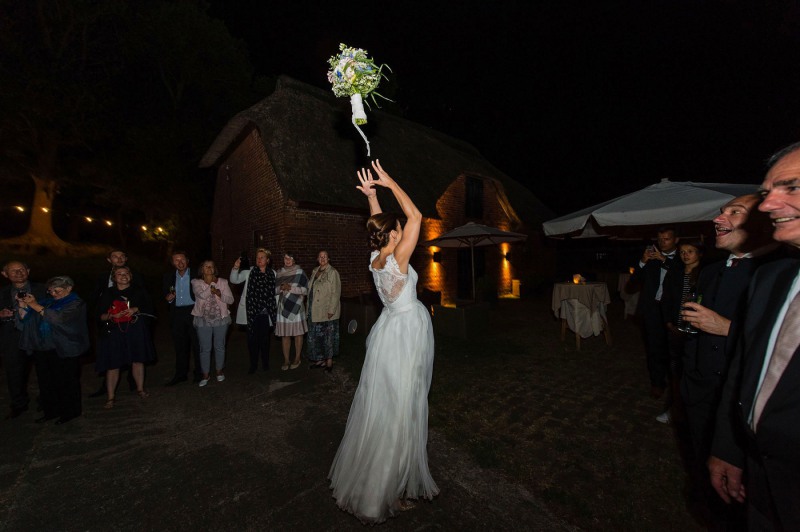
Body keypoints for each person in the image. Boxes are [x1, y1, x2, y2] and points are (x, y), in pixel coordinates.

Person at [329, 160, 438, 524]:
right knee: (399, 412)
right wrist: (390, 181)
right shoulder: (401, 258)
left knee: (386, 408)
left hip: (388, 332)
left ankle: (381, 484)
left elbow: (385, 225)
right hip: (406, 333)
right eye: (397, 229)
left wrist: (372, 198)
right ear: (394, 235)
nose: (402, 229)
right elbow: (418, 215)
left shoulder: (376, 257)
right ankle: (379, 495)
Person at [708, 142, 800, 530]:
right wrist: (729, 447)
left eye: (791, 187)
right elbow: (746, 368)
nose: (766, 206)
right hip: (760, 487)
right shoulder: (772, 278)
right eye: (766, 193)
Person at [676, 194, 779, 529]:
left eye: (735, 213)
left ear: (762, 222)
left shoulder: (779, 272)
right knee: (705, 473)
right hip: (699, 391)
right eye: (721, 213)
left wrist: (726, 328)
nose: (718, 220)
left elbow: (783, 346)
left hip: (738, 405)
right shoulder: (711, 271)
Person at [18, 276, 89, 424]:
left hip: (65, 348)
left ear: (69, 289)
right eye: (51, 291)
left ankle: (70, 412)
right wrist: (23, 304)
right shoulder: (47, 302)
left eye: (58, 290)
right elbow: (26, 318)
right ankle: (51, 411)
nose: (54, 294)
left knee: (66, 382)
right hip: (44, 348)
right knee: (46, 383)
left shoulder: (76, 303)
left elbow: (58, 319)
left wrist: (35, 305)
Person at [630, 227, 679, 399]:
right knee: (654, 348)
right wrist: (642, 261)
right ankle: (657, 383)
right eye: (659, 239)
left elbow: (682, 277)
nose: (662, 243)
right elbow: (632, 282)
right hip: (652, 310)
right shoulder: (651, 259)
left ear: (676, 240)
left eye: (666, 239)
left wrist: (666, 260)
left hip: (673, 312)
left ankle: (676, 384)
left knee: (673, 350)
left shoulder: (682, 257)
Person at [96, 266, 156, 408]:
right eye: (119, 274)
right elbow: (100, 315)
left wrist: (136, 309)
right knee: (113, 364)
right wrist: (111, 315)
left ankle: (140, 389)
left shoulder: (139, 291)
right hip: (114, 331)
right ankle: (110, 397)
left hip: (135, 329)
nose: (123, 276)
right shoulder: (107, 293)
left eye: (126, 273)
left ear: (131, 275)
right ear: (114, 277)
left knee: (137, 360)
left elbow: (151, 309)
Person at [658, 239, 704, 424]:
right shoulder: (675, 273)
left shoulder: (706, 275)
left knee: (692, 372)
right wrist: (669, 322)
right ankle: (674, 409)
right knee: (676, 372)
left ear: (699, 253)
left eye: (690, 251)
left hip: (696, 331)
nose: (685, 255)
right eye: (682, 252)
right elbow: (666, 298)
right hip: (676, 328)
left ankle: (691, 411)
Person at [89, 249, 140, 398]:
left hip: (130, 321)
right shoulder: (102, 277)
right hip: (110, 321)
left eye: (121, 256)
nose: (118, 259)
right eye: (115, 257)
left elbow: (142, 296)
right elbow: (95, 297)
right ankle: (107, 387)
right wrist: (100, 315)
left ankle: (135, 383)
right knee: (110, 356)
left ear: (126, 258)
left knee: (133, 353)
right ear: (109, 260)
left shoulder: (135, 276)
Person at [0, 261, 46, 419]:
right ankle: (18, 404)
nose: (18, 273)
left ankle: (46, 401)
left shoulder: (43, 289)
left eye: (21, 269)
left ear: (28, 271)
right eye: (13, 271)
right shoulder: (2, 293)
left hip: (39, 335)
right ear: (5, 274)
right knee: (14, 372)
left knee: (44, 369)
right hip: (13, 337)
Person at [230, 248, 277, 374]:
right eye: (257, 257)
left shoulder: (273, 273)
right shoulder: (249, 272)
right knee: (252, 340)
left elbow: (275, 293)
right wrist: (235, 267)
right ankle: (253, 365)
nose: (259, 259)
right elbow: (234, 280)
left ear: (267, 260)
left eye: (262, 257)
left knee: (265, 341)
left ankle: (265, 364)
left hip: (266, 312)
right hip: (251, 312)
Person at [191, 261, 234, 387]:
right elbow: (201, 295)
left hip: (220, 319)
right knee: (205, 348)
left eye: (211, 266)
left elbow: (230, 299)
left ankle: (219, 371)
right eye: (206, 266)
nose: (209, 268)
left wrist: (220, 294)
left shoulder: (224, 282)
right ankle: (205, 374)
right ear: (202, 269)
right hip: (203, 320)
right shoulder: (196, 282)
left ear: (215, 269)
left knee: (220, 346)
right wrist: (213, 287)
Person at [163, 251, 201, 385]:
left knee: (197, 344)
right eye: (176, 260)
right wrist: (168, 299)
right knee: (180, 345)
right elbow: (165, 294)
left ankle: (199, 373)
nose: (180, 262)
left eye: (182, 259)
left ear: (187, 260)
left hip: (193, 311)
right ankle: (181, 374)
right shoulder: (168, 277)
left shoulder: (197, 274)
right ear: (173, 263)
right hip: (177, 313)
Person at [306, 250, 341, 372]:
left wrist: (331, 310)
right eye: (320, 256)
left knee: (328, 338)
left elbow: (336, 292)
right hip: (314, 311)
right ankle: (320, 360)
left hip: (326, 312)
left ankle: (329, 363)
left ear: (328, 258)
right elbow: (310, 290)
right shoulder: (315, 271)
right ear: (317, 258)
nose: (322, 258)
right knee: (316, 337)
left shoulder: (332, 272)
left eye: (325, 256)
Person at [275, 252, 308, 371]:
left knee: (298, 333)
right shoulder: (279, 272)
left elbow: (305, 290)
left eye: (290, 258)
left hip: (297, 306)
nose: (287, 260)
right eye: (285, 258)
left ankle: (297, 358)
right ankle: (286, 359)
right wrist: (281, 288)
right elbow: (274, 290)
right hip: (283, 306)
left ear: (294, 260)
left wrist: (290, 288)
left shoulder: (300, 272)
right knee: (285, 334)